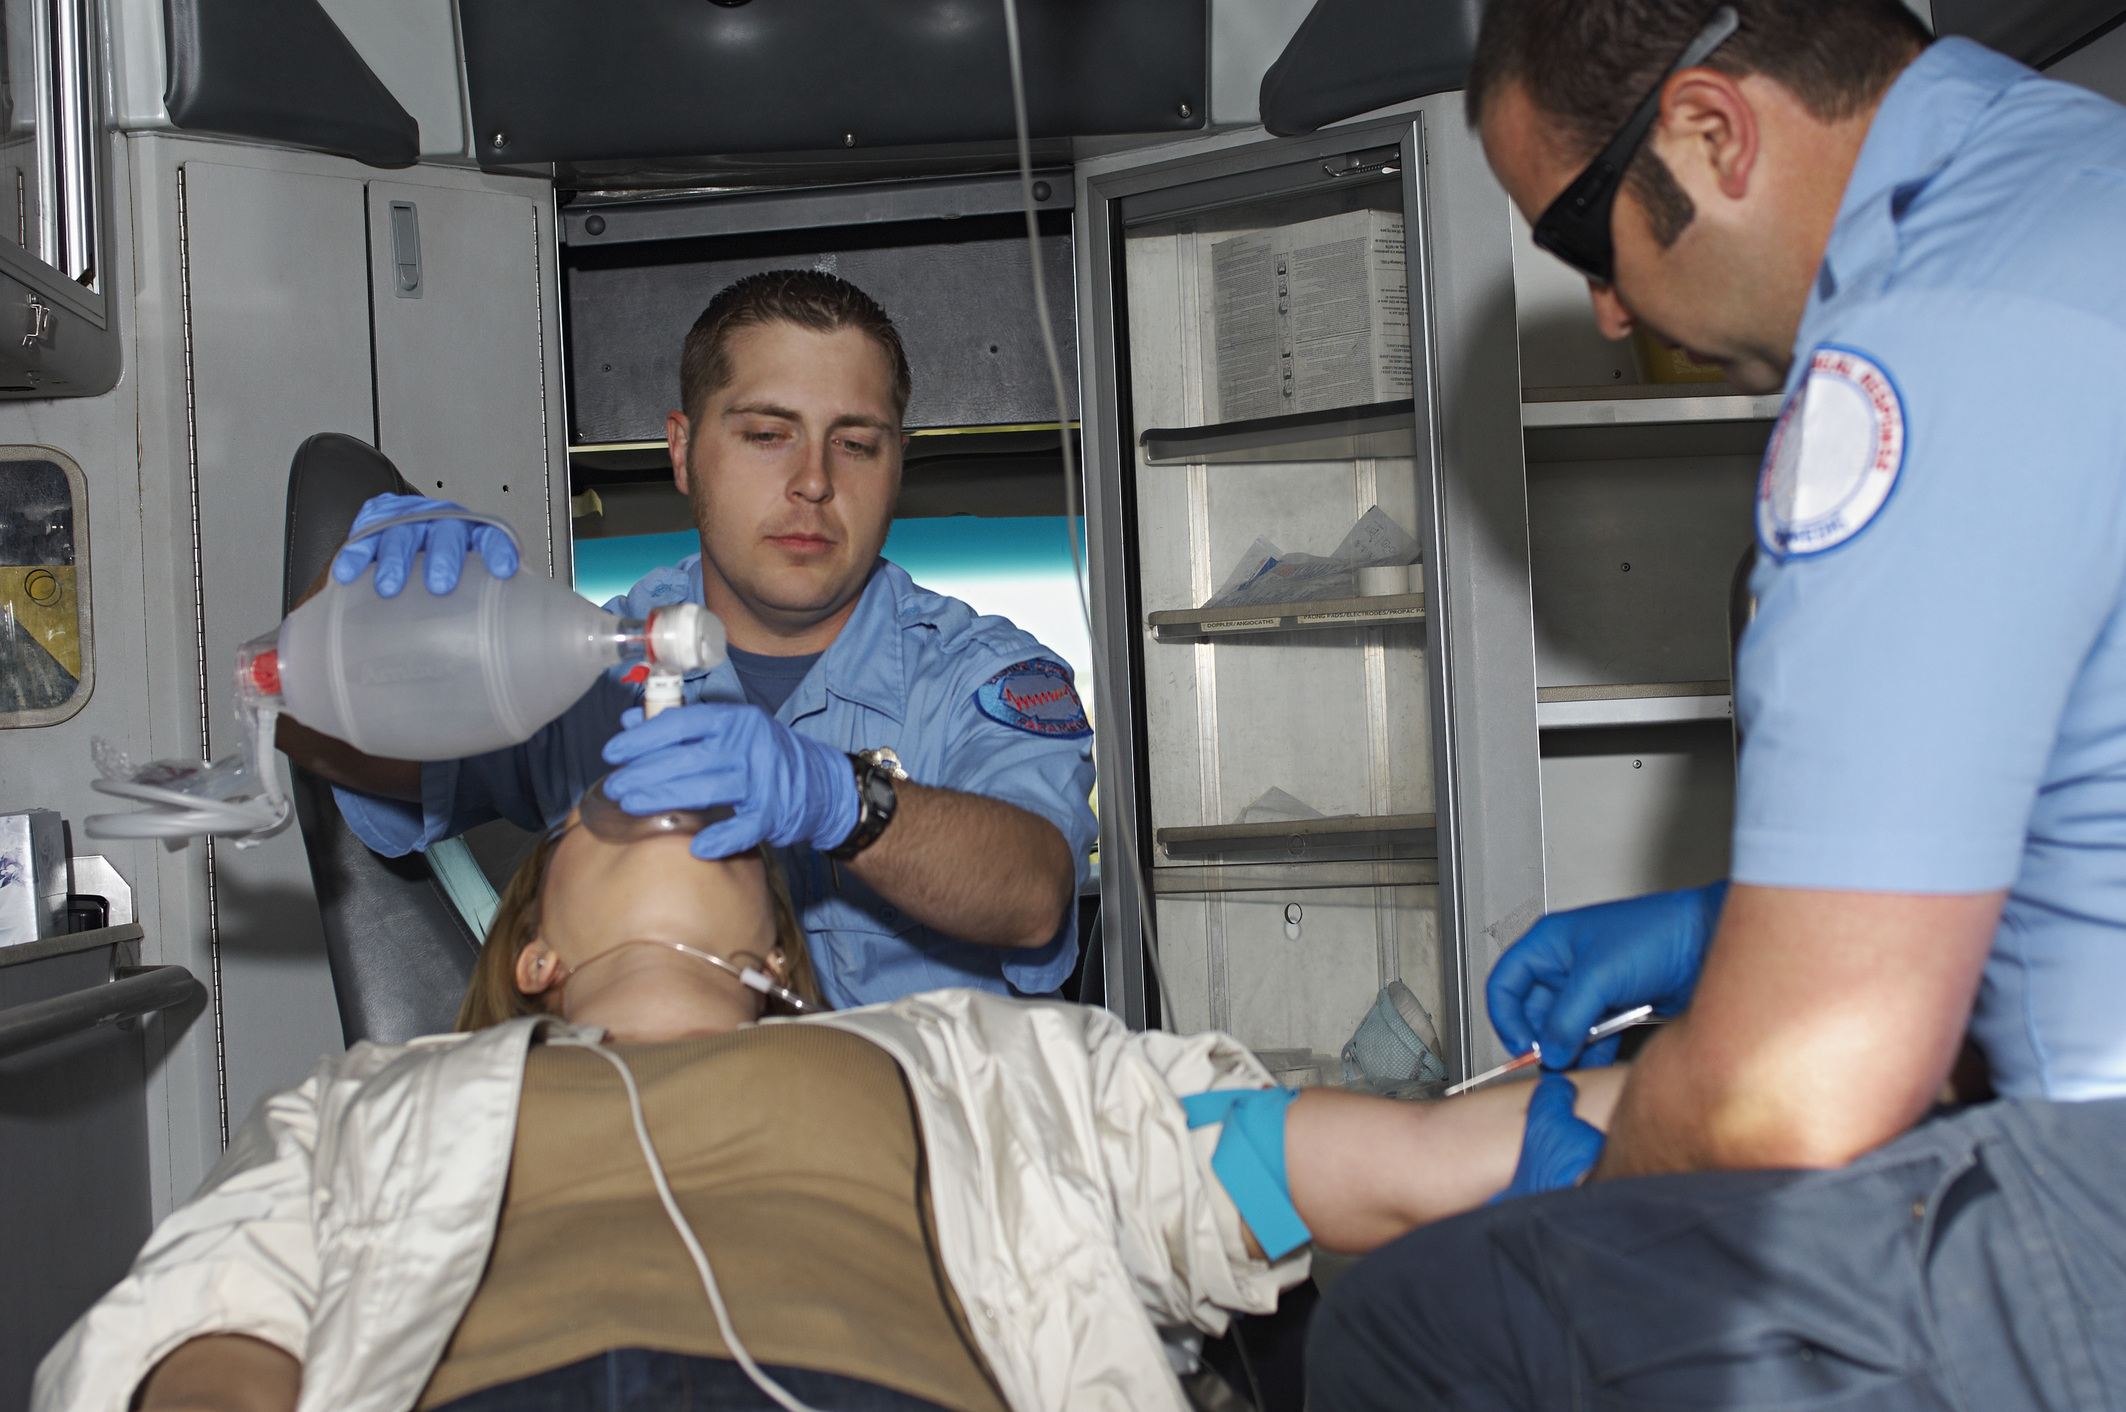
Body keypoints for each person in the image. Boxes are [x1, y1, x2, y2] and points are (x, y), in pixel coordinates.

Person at [1307, 3, 2126, 1408]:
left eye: (1580, 238)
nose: (1610, 309)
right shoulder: (2072, 185)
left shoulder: (1919, 352)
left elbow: (1786, 1094)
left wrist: (1596, 1198)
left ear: (1709, 131)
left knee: (1416, 1323)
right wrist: (1712, 934)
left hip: (2094, 1208)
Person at [37, 781, 1623, 1412]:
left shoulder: (984, 1066)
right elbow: (197, 1334)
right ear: (529, 951)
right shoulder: (368, 1105)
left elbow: (1409, 1159)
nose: (663, 790)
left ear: (780, 946)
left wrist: (1755, 1060)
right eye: (605, 806)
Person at [280, 270, 1098, 1010]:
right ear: (681, 450)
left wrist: (841, 800)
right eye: (766, 433)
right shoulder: (587, 670)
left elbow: (1033, 893)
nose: (814, 479)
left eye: (854, 443)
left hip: (933, 1154)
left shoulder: (980, 675)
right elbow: (326, 740)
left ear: (896, 465)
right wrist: (351, 597)